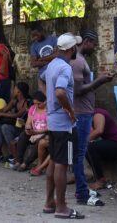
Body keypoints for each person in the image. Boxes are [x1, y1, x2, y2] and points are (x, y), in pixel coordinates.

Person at [42, 33, 85, 219]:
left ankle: (49, 202)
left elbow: (41, 80)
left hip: (52, 122)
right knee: (62, 164)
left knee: (54, 161)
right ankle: (61, 207)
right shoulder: (65, 68)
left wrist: (48, 98)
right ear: (71, 49)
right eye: (75, 46)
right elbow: (60, 92)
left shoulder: (51, 65)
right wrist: (70, 110)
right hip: (64, 125)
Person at [70, 29, 111, 207]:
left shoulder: (79, 60)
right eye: (93, 44)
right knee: (79, 154)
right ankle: (82, 192)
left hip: (83, 112)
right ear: (86, 41)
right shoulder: (77, 62)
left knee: (79, 153)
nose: (95, 47)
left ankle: (82, 189)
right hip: (82, 113)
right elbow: (78, 91)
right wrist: (100, 81)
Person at [86, 108, 117, 190]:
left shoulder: (98, 113)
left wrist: (83, 142)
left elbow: (99, 131)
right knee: (88, 148)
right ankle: (79, 175)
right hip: (112, 144)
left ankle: (100, 181)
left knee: (90, 147)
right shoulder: (90, 115)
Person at [0, 82, 30, 162]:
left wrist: (1, 114)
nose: (13, 90)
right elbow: (4, 109)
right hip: (14, 126)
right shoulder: (14, 100)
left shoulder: (26, 103)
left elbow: (17, 115)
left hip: (22, 128)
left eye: (15, 89)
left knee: (5, 127)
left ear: (19, 91)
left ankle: (13, 154)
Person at [12, 91, 47, 172]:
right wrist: (28, 128)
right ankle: (18, 161)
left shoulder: (49, 110)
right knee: (23, 135)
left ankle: (26, 163)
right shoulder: (33, 108)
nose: (37, 106)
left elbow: (49, 127)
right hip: (34, 131)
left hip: (44, 132)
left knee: (40, 142)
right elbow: (28, 121)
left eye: (39, 104)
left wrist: (36, 132)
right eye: (35, 103)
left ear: (45, 101)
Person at [30, 24, 58, 94]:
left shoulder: (54, 39)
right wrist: (50, 60)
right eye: (33, 36)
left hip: (55, 73)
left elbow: (57, 55)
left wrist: (41, 59)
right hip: (43, 78)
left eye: (36, 35)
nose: (35, 37)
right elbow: (33, 63)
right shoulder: (34, 46)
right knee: (44, 100)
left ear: (42, 31)